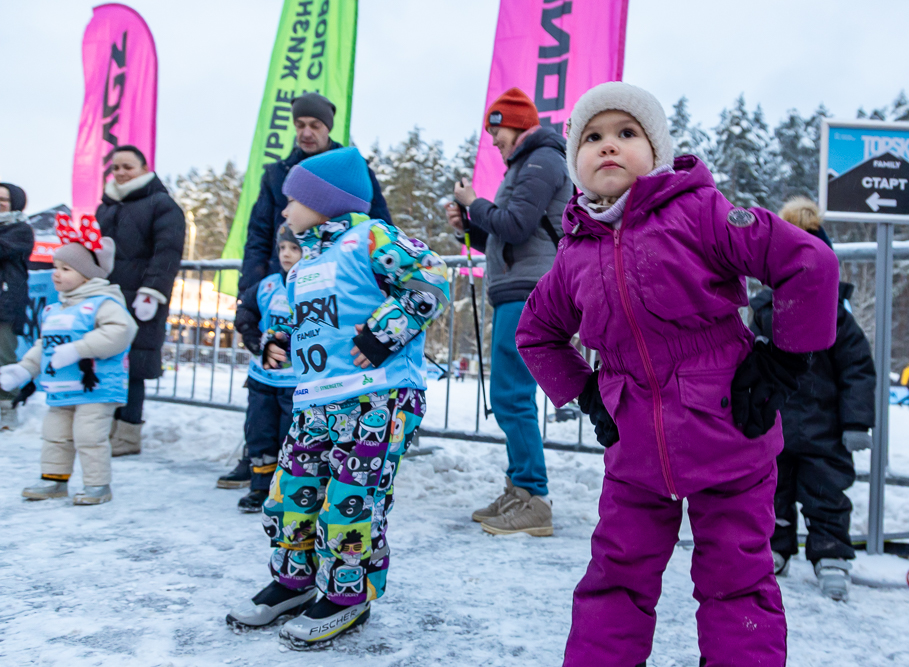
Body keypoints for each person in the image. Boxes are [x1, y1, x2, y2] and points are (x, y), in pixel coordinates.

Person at [515, 82, 839, 666]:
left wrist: (782, 361)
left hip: (730, 438)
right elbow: (536, 334)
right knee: (614, 580)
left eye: (626, 133)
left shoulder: (702, 212)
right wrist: (587, 393)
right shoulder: (573, 254)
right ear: (575, 163)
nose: (608, 146)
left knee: (736, 583)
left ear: (657, 150)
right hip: (636, 453)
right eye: (591, 137)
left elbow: (808, 262)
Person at [226, 147, 449, 649]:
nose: (284, 211)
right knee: (289, 495)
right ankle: (295, 580)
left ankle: (348, 596)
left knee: (351, 501)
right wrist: (280, 339)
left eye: (292, 201)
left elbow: (431, 277)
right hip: (315, 400)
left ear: (323, 200)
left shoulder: (369, 237)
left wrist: (383, 333)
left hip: (376, 398)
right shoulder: (307, 261)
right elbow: (309, 319)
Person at [444, 87, 572, 537]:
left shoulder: (543, 160)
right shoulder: (525, 164)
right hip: (515, 287)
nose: (494, 141)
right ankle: (520, 489)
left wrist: (474, 203)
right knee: (507, 395)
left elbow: (515, 223)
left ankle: (534, 498)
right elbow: (507, 238)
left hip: (528, 291)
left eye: (497, 130)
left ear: (519, 124)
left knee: (512, 396)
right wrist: (471, 225)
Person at [750, 197, 876, 602]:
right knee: (772, 492)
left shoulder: (836, 315)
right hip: (774, 424)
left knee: (826, 494)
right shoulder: (764, 311)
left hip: (825, 428)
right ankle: (775, 548)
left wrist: (857, 422)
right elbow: (747, 363)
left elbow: (857, 367)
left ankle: (831, 555)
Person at [0, 217, 136, 505]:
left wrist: (79, 349)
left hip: (95, 388)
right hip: (61, 387)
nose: (56, 274)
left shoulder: (103, 302)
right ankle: (54, 479)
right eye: (55, 268)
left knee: (89, 437)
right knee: (56, 435)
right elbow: (44, 346)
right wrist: (23, 369)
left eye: (65, 269)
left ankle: (98, 485)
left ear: (88, 275)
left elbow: (121, 332)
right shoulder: (55, 308)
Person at [239, 93, 392, 295]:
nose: (306, 133)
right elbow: (258, 237)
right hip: (284, 286)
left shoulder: (354, 172)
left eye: (315, 125)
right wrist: (250, 295)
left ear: (328, 127)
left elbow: (379, 225)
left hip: (341, 284)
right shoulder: (276, 175)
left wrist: (382, 288)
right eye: (300, 125)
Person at [95, 145, 185, 455]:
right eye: (116, 167)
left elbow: (167, 252)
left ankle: (128, 434)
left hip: (141, 301)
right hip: (106, 298)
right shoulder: (105, 207)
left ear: (144, 169)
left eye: (127, 167)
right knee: (106, 361)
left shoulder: (162, 205)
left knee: (133, 367)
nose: (120, 173)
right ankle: (106, 428)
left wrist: (152, 292)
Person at [217, 225, 302, 512]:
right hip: (262, 379)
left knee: (290, 437)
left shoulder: (311, 289)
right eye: (282, 248)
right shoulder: (266, 286)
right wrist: (253, 340)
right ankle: (259, 487)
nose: (286, 254)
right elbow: (246, 312)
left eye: (294, 248)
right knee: (259, 434)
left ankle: (290, 491)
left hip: (296, 383)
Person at [0, 182, 34, 430]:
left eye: (3, 199)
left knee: (3, 356)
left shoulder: (20, 229)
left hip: (6, 303)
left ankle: (5, 409)